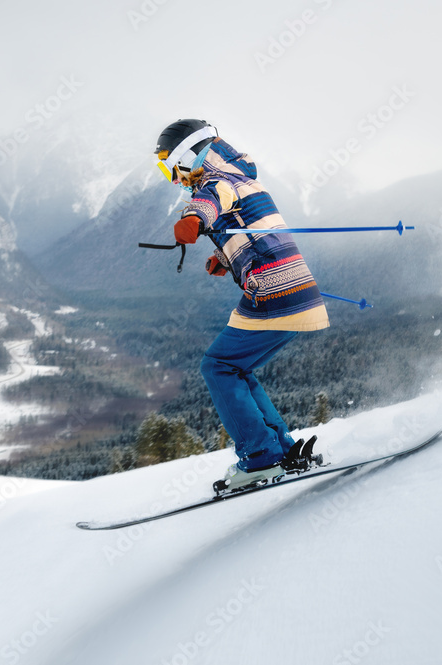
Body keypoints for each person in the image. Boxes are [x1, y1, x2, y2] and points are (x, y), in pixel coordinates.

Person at [154, 119, 330, 492]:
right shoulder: (242, 174)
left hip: (273, 291)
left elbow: (212, 201)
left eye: (169, 164)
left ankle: (260, 456)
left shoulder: (217, 180)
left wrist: (192, 219)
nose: (173, 177)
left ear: (187, 154)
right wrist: (228, 256)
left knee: (217, 366)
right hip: (298, 288)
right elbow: (247, 223)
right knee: (237, 368)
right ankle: (280, 449)